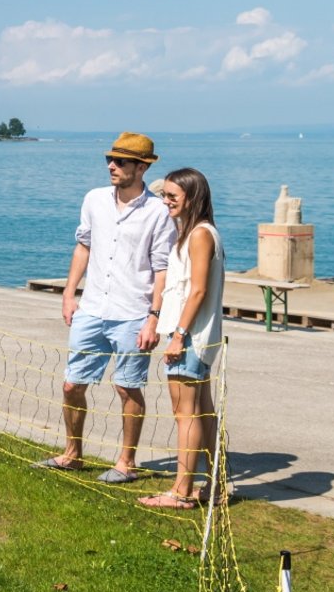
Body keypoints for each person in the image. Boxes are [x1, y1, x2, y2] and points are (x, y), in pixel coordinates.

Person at [37, 131, 175, 482]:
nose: (112, 166)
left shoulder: (159, 213)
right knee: (72, 384)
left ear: (142, 167)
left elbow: (162, 269)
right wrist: (70, 294)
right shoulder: (94, 200)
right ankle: (73, 454)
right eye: (109, 160)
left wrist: (153, 319)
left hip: (133, 313)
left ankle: (125, 463)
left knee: (127, 387)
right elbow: (83, 247)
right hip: (92, 307)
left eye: (121, 161)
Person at [140, 168, 224, 510]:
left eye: (173, 196)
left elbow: (199, 289)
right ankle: (214, 484)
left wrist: (178, 336)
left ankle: (181, 490)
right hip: (195, 337)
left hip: (191, 338)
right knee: (202, 411)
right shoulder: (192, 233)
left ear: (193, 197)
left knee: (185, 413)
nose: (166, 201)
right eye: (165, 195)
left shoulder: (201, 235)